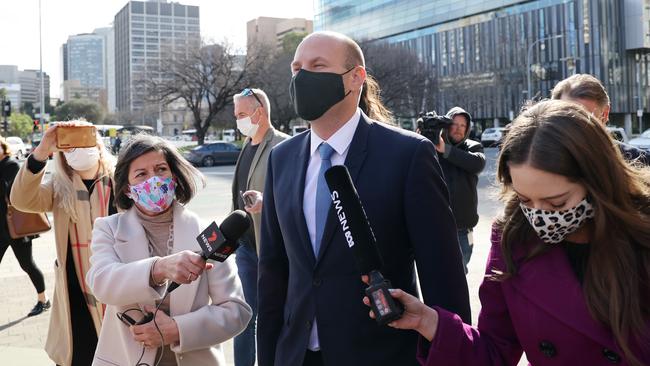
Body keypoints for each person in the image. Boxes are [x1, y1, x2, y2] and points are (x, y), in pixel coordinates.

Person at [365, 100, 650, 366]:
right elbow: (493, 352)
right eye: (525, 200)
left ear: (599, 181)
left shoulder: (641, 232)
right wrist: (428, 322)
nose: (541, 216)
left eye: (557, 202)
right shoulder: (512, 240)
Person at [257, 31, 471, 366]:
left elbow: (443, 276)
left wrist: (453, 352)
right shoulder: (281, 158)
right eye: (296, 69)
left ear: (356, 77)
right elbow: (273, 270)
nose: (302, 77)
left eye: (317, 66)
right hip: (296, 355)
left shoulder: (408, 155)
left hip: (381, 354)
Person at [86, 135, 252, 366]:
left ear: (174, 177)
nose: (153, 180)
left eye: (161, 169)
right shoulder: (108, 229)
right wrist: (159, 268)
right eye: (141, 174)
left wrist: (177, 330)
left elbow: (236, 311)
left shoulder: (206, 232)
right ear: (126, 189)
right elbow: (101, 283)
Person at [10, 121, 116, 366]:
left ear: (97, 143)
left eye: (84, 139)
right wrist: (42, 151)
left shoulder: (120, 181)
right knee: (81, 356)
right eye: (70, 144)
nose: (78, 149)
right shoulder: (59, 188)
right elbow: (21, 200)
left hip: (117, 290)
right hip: (75, 293)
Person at [231, 87, 289, 366]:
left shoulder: (284, 145)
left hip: (273, 248)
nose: (238, 120)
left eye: (242, 114)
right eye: (236, 115)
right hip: (245, 246)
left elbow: (297, 196)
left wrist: (268, 203)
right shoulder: (246, 145)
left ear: (260, 112)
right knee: (243, 314)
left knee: (271, 314)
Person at [551, 73, 649, 165]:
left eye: (585, 119)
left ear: (605, 114)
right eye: (565, 117)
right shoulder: (540, 162)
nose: (574, 127)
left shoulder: (639, 163)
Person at [0, 137, 50, 316]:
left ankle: (43, 300)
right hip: (1, 228)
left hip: (16, 228)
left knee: (27, 264)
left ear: (3, 147)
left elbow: (14, 194)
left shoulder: (10, 165)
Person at [433, 107, 485, 273]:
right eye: (454, 124)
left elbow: (477, 164)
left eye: (463, 125)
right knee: (438, 275)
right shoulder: (431, 147)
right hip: (437, 228)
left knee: (459, 274)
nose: (458, 129)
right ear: (446, 126)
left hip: (462, 230)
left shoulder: (474, 147)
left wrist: (445, 150)